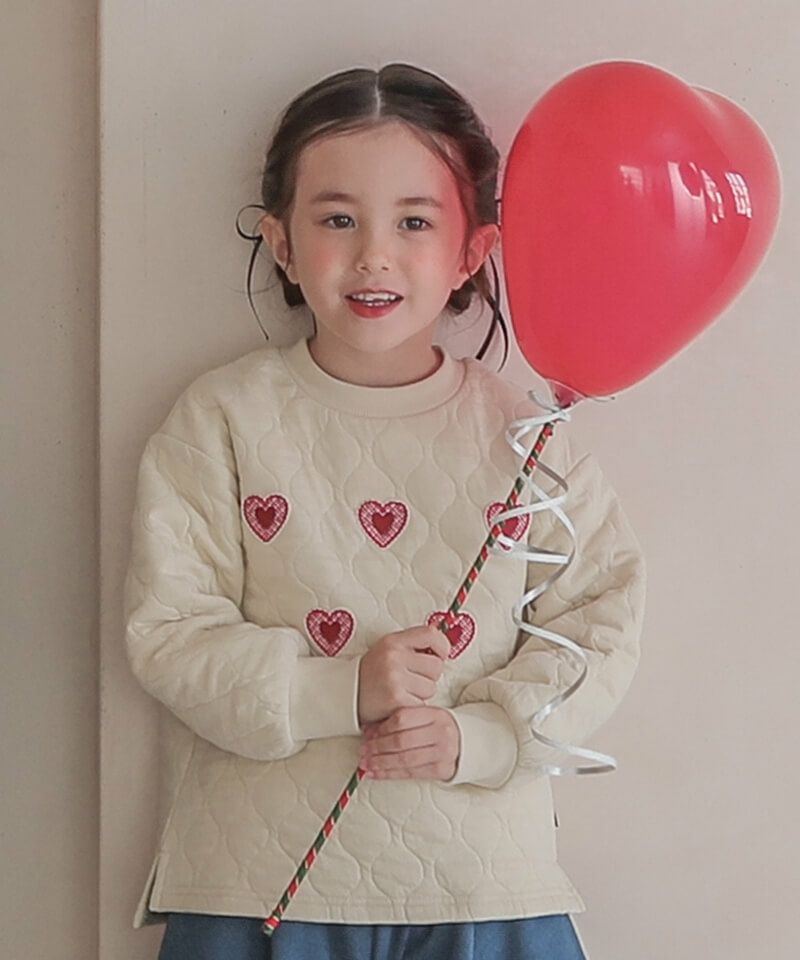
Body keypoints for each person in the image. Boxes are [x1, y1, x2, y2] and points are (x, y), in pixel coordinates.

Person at [123, 62, 646, 960]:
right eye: (337, 220)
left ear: (472, 251)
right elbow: (170, 631)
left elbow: (600, 621)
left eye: (414, 221)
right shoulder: (220, 418)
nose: (373, 255)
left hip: (481, 883)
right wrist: (341, 691)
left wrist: (482, 739)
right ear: (282, 242)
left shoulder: (525, 435)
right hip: (257, 882)